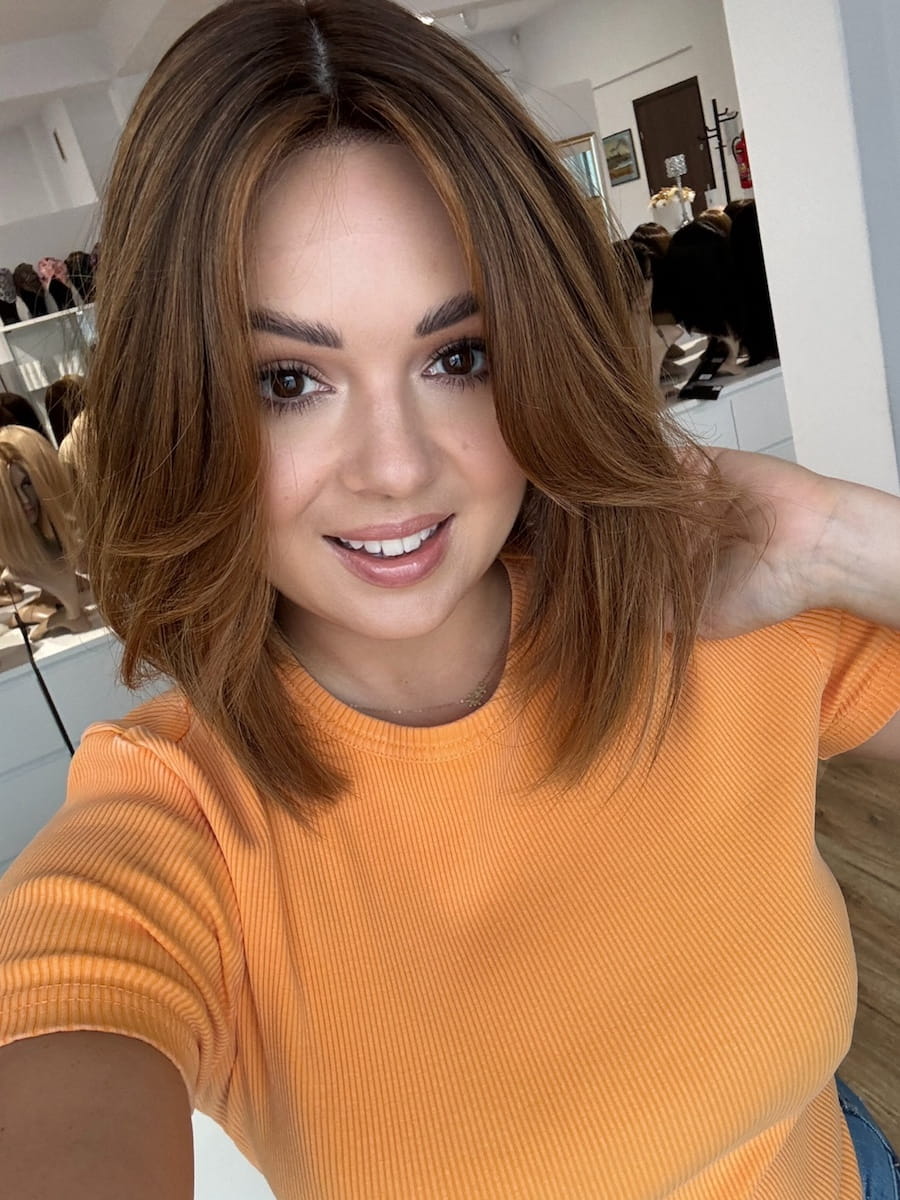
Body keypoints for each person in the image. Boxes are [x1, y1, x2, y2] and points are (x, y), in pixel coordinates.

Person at [0, 2, 898, 1198]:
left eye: (457, 356)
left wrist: (849, 538)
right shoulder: (177, 826)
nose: (395, 468)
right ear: (189, 404)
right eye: (287, 380)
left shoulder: (709, 612)